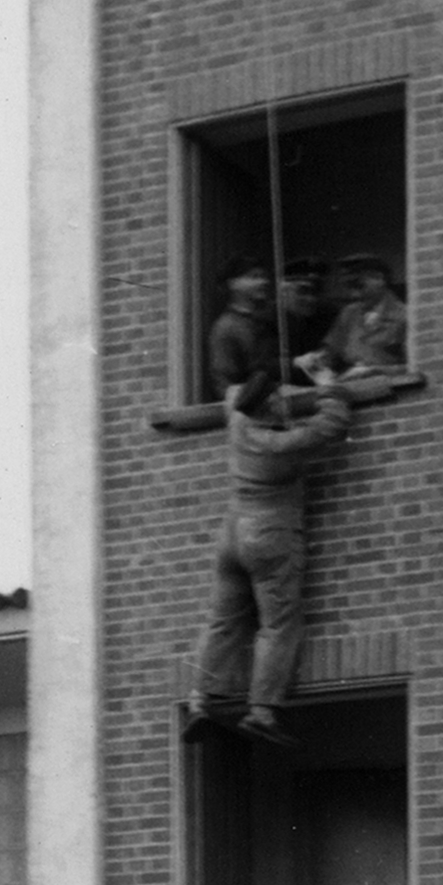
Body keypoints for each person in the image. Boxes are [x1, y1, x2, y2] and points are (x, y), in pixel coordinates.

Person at [188, 364, 355, 748]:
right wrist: (329, 387)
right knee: (278, 623)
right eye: (278, 399)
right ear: (266, 407)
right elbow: (331, 426)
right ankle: (262, 711)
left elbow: (234, 392)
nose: (283, 402)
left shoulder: (237, 420)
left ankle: (201, 699)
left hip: (232, 534)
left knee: (222, 619)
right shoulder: (277, 444)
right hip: (270, 535)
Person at [317, 255, 408, 376]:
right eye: (349, 288)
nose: (353, 295)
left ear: (379, 279)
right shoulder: (349, 313)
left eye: (359, 286)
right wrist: (316, 359)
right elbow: (330, 354)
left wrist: (377, 371)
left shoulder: (404, 316)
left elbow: (418, 366)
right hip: (353, 388)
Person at [207, 256, 281, 400]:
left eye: (264, 277)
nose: (263, 282)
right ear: (233, 284)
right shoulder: (226, 328)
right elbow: (225, 384)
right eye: (254, 277)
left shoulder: (270, 320)